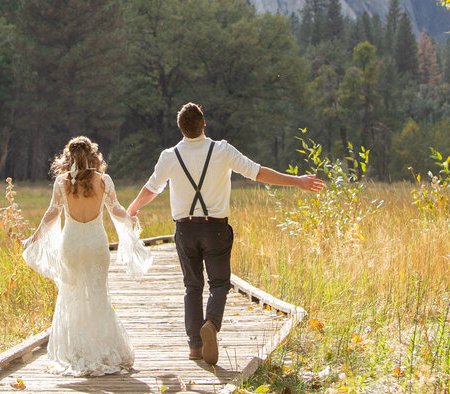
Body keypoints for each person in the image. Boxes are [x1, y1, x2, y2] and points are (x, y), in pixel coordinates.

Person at [126, 103, 324, 366]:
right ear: (204, 123)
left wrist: (133, 208)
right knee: (219, 284)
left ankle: (195, 347)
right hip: (216, 228)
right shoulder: (222, 150)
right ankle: (211, 323)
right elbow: (259, 172)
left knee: (192, 286)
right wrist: (297, 181)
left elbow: (152, 189)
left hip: (185, 229)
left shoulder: (169, 156)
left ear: (180, 128)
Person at [21, 136, 152, 376]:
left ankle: (76, 353)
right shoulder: (103, 181)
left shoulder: (62, 182)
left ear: (68, 158)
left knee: (72, 297)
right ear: (93, 156)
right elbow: (116, 210)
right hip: (96, 245)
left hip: (71, 245)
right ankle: (103, 351)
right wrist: (131, 220)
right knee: (98, 297)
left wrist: (33, 238)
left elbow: (52, 214)